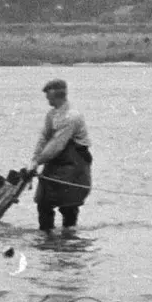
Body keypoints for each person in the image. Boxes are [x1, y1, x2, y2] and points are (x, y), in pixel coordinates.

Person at [30, 78, 93, 231]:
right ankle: (46, 239)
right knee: (43, 204)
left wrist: (38, 162)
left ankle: (69, 239)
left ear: (57, 95)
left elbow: (56, 145)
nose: (46, 99)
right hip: (55, 164)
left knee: (69, 207)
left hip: (73, 166)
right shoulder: (51, 115)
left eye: (48, 96)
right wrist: (33, 160)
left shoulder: (72, 117)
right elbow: (44, 138)